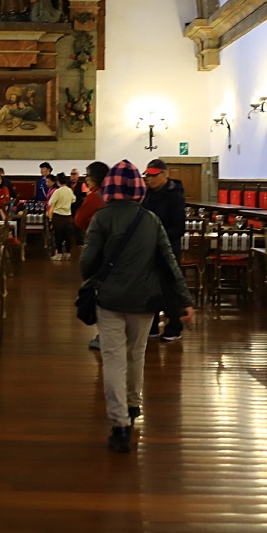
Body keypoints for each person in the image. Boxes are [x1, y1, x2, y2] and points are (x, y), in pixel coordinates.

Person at [79, 160, 193, 454]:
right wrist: (184, 301)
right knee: (137, 354)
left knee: (114, 358)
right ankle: (133, 404)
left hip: (110, 299)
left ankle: (120, 425)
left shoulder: (102, 219)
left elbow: (86, 265)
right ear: (139, 188)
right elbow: (169, 263)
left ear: (110, 187)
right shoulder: (151, 219)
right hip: (144, 301)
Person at [141, 159, 189, 340]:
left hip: (168, 247)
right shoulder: (147, 194)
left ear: (164, 174)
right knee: (150, 286)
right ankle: (152, 325)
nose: (150, 179)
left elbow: (179, 226)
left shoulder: (174, 194)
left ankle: (174, 326)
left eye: (153, 176)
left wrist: (160, 239)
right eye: (147, 176)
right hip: (149, 247)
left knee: (169, 286)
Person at [74, 161, 109, 350]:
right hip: (116, 251)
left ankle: (103, 336)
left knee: (98, 293)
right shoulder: (113, 195)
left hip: (98, 250)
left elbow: (79, 221)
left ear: (95, 178)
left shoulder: (95, 197)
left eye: (87, 177)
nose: (86, 180)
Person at [46, 175, 76, 259]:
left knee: (58, 236)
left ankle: (58, 254)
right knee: (68, 236)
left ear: (57, 181)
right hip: (68, 216)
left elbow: (51, 202)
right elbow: (74, 199)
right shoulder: (69, 190)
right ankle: (67, 253)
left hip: (58, 216)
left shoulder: (58, 191)